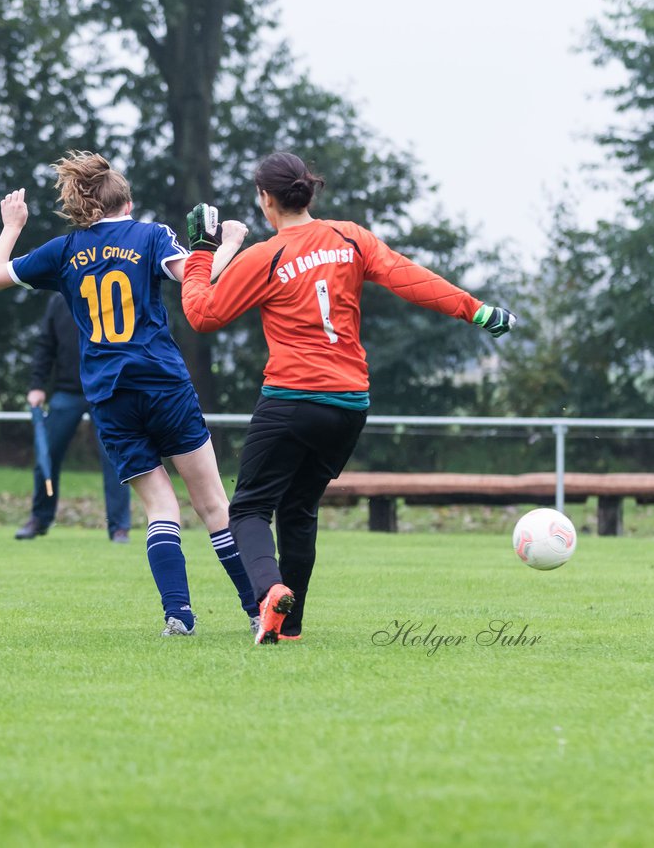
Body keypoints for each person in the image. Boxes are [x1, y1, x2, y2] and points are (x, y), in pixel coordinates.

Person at [180, 152, 516, 645]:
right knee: (299, 508)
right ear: (308, 193)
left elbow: (202, 314)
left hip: (292, 399)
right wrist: (476, 310)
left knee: (248, 511)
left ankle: (270, 591)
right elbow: (410, 278)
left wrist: (202, 251)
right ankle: (288, 628)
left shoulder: (266, 255)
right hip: (349, 405)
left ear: (266, 199)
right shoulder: (349, 238)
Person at [0, 150, 259, 637]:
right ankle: (257, 610)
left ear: (86, 205)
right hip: (162, 382)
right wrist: (229, 240)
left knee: (160, 508)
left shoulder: (66, 249)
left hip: (108, 394)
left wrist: (12, 225)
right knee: (213, 505)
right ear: (127, 201)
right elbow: (203, 277)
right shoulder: (150, 236)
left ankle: (179, 614)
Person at [16, 293, 132, 543]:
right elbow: (45, 345)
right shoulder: (59, 300)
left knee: (115, 460)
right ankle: (40, 518)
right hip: (66, 392)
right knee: (46, 456)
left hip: (106, 392)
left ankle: (119, 527)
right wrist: (37, 385)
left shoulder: (111, 294)